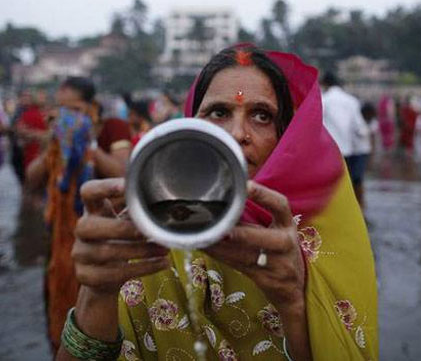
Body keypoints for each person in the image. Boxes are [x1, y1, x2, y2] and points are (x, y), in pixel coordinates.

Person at [56, 46, 378, 361]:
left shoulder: (314, 235)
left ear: (285, 138)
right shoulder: (149, 236)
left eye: (262, 116)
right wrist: (96, 295)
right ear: (190, 126)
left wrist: (294, 301)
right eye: (219, 112)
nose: (237, 133)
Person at [25, 76, 128, 353]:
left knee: (100, 313)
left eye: (75, 109)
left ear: (92, 107)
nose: (68, 116)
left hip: (102, 240)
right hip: (60, 239)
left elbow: (124, 175)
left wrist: (89, 145)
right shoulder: (58, 136)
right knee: (57, 302)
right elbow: (32, 177)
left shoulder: (113, 128)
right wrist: (52, 144)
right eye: (63, 110)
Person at [321, 72, 371, 208]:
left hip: (328, 150)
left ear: (325, 84)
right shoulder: (351, 101)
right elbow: (359, 128)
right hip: (347, 151)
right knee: (346, 184)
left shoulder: (324, 99)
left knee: (329, 185)